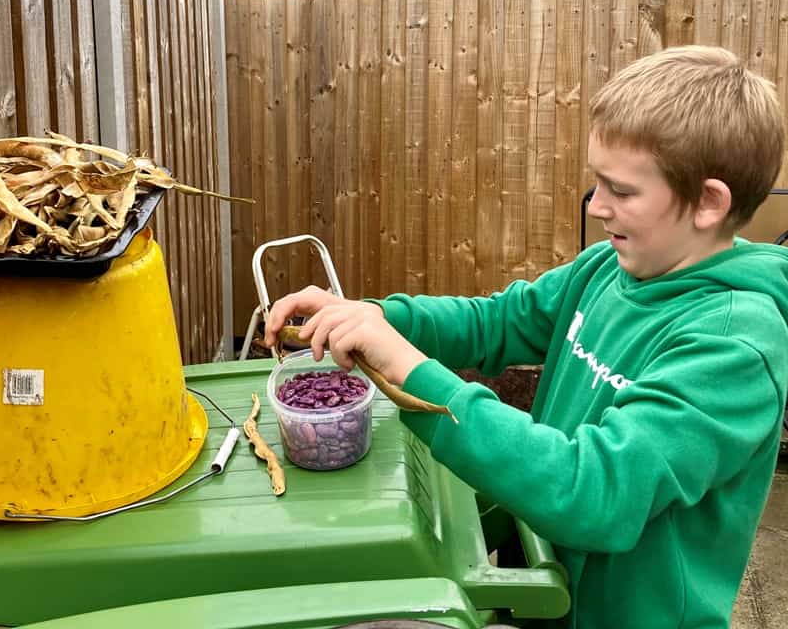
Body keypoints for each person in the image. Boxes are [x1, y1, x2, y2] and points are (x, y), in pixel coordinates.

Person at [264, 45, 788, 629]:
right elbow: (496, 322)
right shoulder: (605, 272)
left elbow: (595, 492)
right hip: (544, 585)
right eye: (597, 182)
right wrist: (371, 317)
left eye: (623, 190)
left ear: (709, 203)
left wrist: (416, 378)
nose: (598, 205)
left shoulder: (734, 348)